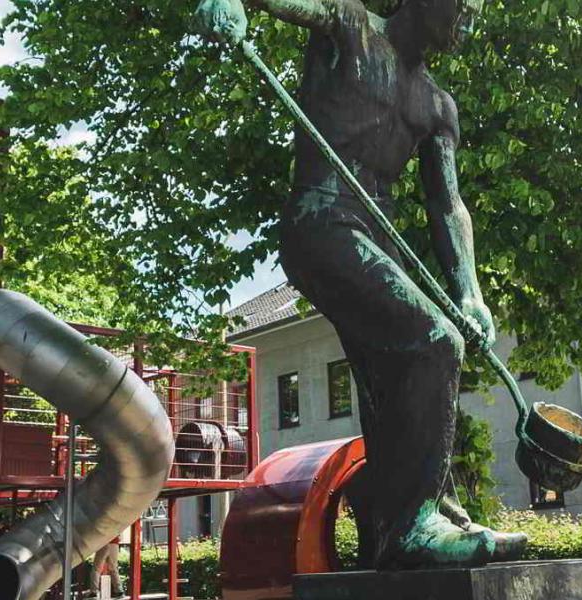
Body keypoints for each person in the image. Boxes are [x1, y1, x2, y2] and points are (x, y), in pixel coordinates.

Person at [194, 0, 527, 569]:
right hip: (322, 222)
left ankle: (409, 516)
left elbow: (446, 204)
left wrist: (468, 289)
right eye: (465, 9)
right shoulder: (350, 26)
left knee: (388, 378)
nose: (470, 23)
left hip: (379, 239)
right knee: (435, 341)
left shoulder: (438, 104)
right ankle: (412, 526)